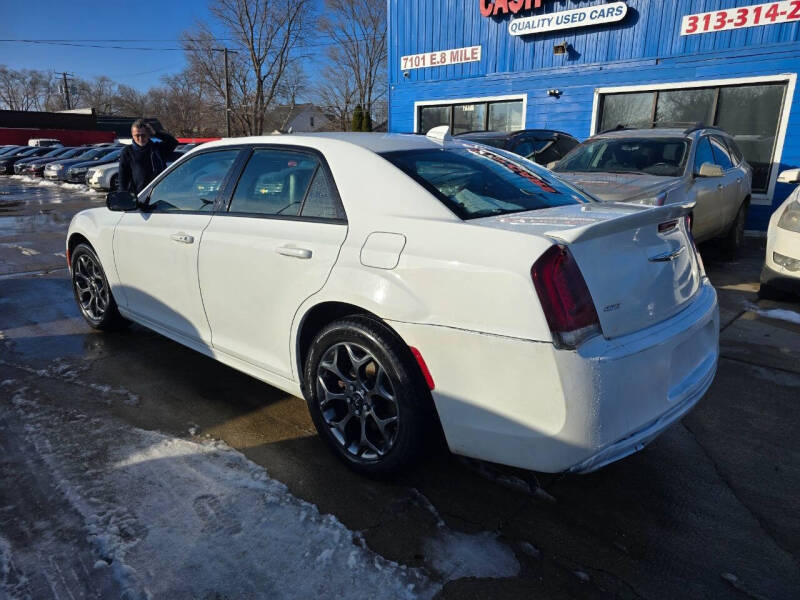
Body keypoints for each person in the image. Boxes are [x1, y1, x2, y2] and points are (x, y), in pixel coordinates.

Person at [118, 119, 178, 193]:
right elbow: (122, 176)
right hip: (139, 195)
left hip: (159, 193)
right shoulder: (127, 151)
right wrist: (122, 194)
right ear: (132, 135)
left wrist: (156, 133)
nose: (140, 138)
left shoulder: (157, 149)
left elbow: (173, 142)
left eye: (143, 135)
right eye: (137, 135)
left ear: (149, 134)